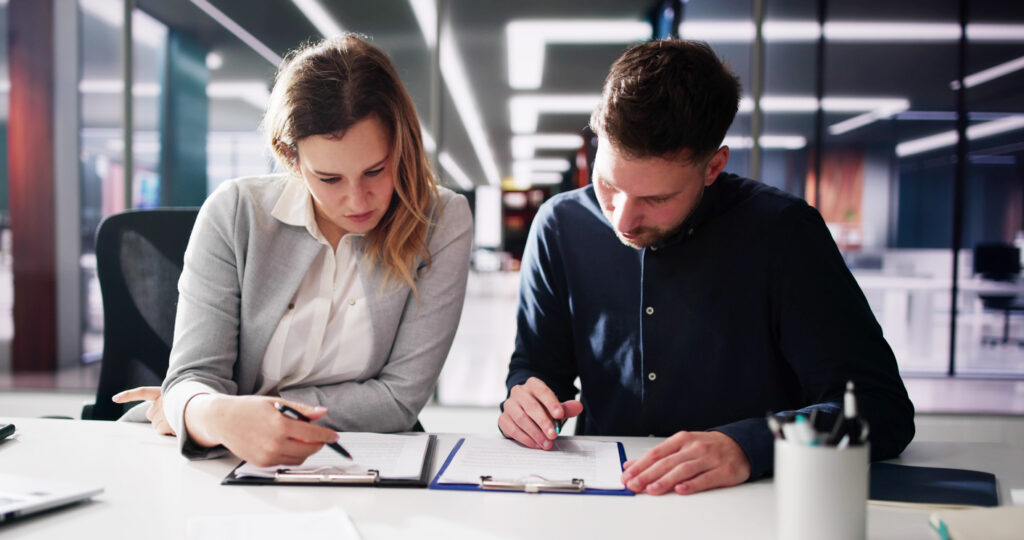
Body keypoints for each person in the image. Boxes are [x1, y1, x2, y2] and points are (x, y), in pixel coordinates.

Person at [499, 39, 915, 495]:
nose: (622, 218)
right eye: (608, 184)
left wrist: (751, 445)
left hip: (750, 504)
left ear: (713, 166)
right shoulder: (559, 226)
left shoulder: (784, 233)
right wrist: (525, 400)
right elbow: (537, 370)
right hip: (608, 501)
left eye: (656, 199)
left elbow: (881, 409)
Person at [113, 34, 473, 467]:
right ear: (291, 156)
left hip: (361, 457)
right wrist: (205, 409)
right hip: (222, 460)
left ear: (402, 144)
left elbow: (399, 398)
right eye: (330, 179)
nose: (359, 201)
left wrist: (229, 409)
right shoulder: (234, 212)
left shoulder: (441, 220)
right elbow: (194, 377)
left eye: (375, 170)